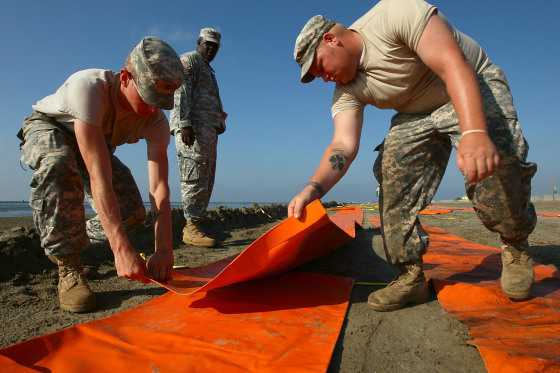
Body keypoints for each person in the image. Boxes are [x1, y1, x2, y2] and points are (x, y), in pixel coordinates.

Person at [290, 0, 537, 312]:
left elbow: (452, 63)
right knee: (391, 173)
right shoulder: (346, 89)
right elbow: (342, 145)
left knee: (497, 160)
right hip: (416, 114)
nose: (324, 78)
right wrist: (312, 189)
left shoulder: (395, 14)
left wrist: (474, 133)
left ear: (331, 39)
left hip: (469, 81)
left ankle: (515, 246)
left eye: (321, 68)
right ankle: (410, 276)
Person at [17, 36, 184, 313]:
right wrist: (120, 249)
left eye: (162, 101)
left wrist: (164, 247)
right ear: (125, 78)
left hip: (96, 145)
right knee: (59, 163)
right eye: (148, 96)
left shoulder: (155, 121)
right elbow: (98, 176)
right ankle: (69, 266)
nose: (154, 108)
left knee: (131, 211)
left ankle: (68, 240)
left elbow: (159, 187)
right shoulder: (90, 88)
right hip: (53, 129)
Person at [170, 28, 227, 247]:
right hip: (191, 131)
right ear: (199, 42)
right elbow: (181, 91)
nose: (211, 49)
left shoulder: (208, 69)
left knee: (205, 178)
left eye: (215, 46)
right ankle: (191, 228)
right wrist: (184, 122)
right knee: (193, 175)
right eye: (208, 44)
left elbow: (209, 98)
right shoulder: (189, 60)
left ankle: (196, 224)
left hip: (207, 131)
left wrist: (219, 121)